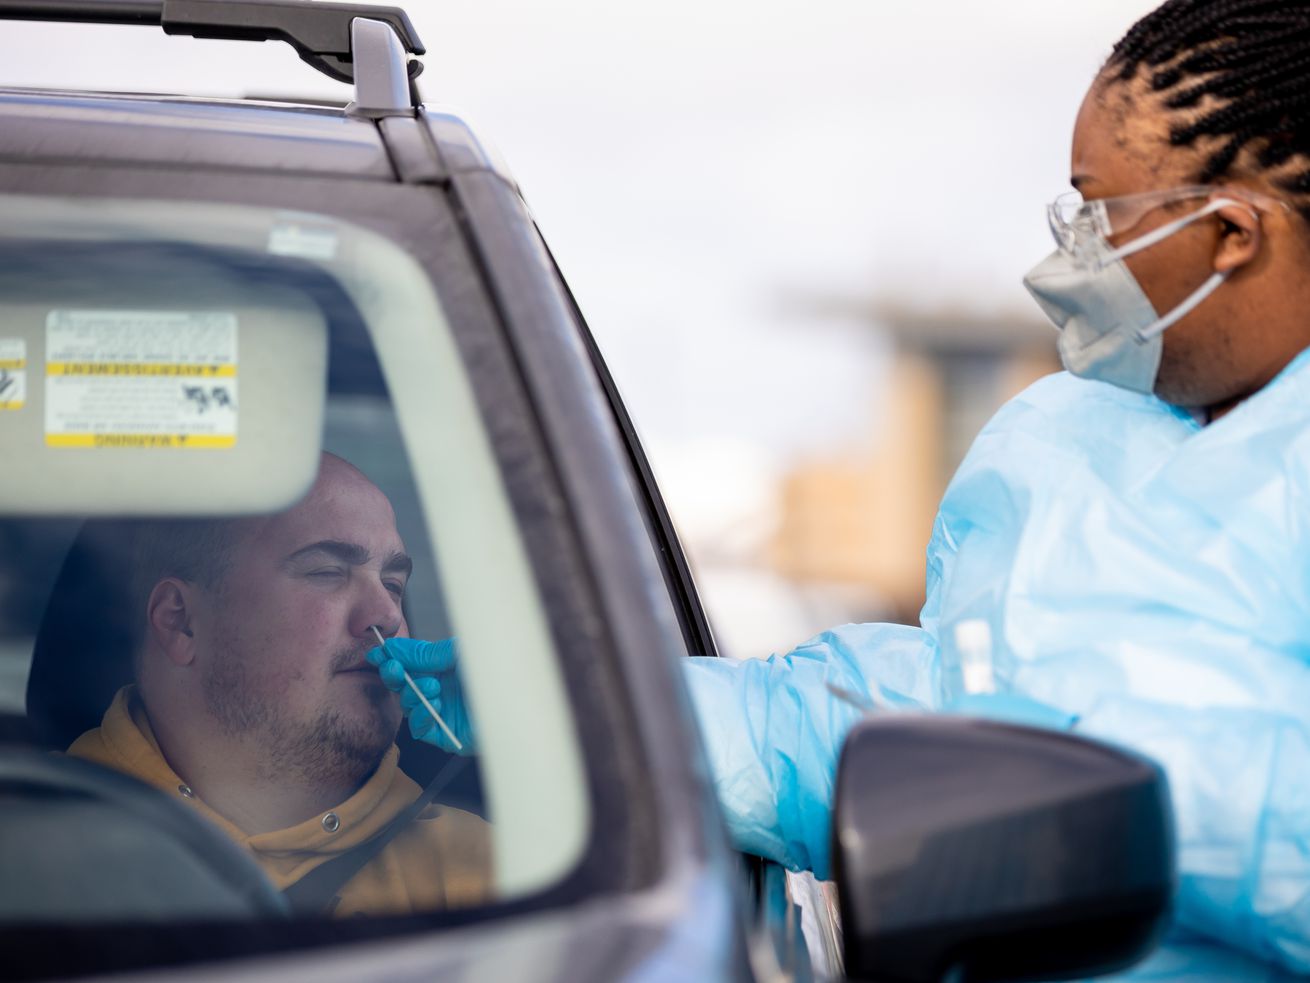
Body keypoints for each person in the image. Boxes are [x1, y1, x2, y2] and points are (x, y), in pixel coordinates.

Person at [386, 1, 1310, 978]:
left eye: (1096, 211)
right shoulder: (1065, 437)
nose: (1069, 252)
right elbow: (920, 728)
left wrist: (1067, 785)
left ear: (1230, 234)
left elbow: (1006, 763)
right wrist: (573, 706)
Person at [68, 452, 490, 916]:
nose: (389, 616)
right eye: (326, 572)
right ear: (182, 622)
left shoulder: (486, 870)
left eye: (392, 582)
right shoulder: (28, 838)